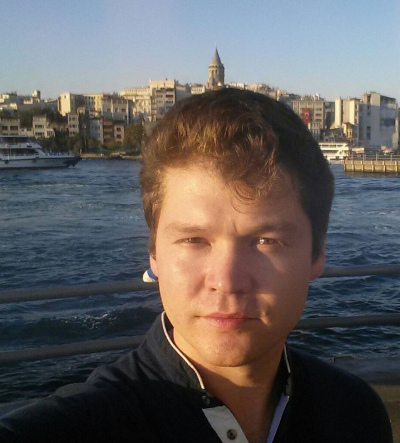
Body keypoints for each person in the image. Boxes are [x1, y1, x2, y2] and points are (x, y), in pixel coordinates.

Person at [0, 89, 392, 442]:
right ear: (155, 254)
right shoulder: (78, 426)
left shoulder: (355, 413)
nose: (226, 281)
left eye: (266, 241)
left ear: (317, 255)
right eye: (193, 240)